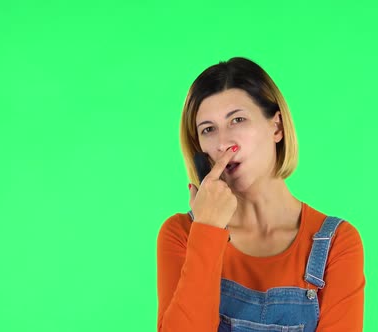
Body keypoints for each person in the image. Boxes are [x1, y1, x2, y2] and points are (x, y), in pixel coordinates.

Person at [156, 57, 365, 331]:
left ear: (276, 127)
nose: (223, 143)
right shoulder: (182, 235)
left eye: (237, 120)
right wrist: (206, 229)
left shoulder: (336, 243)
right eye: (208, 129)